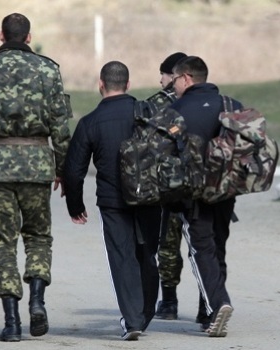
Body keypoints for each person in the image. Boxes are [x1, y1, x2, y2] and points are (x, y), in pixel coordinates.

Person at [0, 13, 71, 342]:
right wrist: (62, 168)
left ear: (1, 36)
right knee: (37, 236)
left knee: (2, 242)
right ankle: (37, 300)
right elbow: (61, 126)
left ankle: (11, 322)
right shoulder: (49, 70)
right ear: (29, 37)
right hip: (36, 165)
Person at [63, 61, 161, 341]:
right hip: (151, 197)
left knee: (122, 256)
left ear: (101, 85)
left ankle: (132, 320)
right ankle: (144, 313)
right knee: (146, 255)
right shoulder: (150, 115)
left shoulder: (90, 122)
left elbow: (73, 170)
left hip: (113, 200)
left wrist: (75, 205)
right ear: (128, 85)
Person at [168, 56, 242, 337]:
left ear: (186, 78)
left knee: (201, 249)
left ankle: (218, 303)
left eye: (174, 80)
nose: (173, 86)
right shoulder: (232, 105)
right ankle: (207, 310)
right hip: (227, 190)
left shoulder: (177, 109)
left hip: (194, 193)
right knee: (217, 246)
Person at [146, 52, 187, 321]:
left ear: (173, 76)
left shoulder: (154, 105)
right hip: (201, 183)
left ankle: (169, 301)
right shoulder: (204, 102)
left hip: (165, 185)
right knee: (206, 246)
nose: (159, 79)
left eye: (163, 74)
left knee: (167, 243)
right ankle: (209, 304)